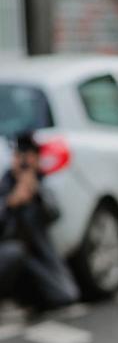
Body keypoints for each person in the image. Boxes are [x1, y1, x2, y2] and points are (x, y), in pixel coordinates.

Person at [0, 131, 80, 314]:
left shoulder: (41, 185)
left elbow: (54, 213)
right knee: (14, 252)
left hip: (34, 258)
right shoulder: (4, 183)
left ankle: (29, 299)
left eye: (28, 157)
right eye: (19, 156)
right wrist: (11, 202)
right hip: (7, 253)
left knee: (66, 294)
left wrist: (36, 192)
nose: (23, 162)